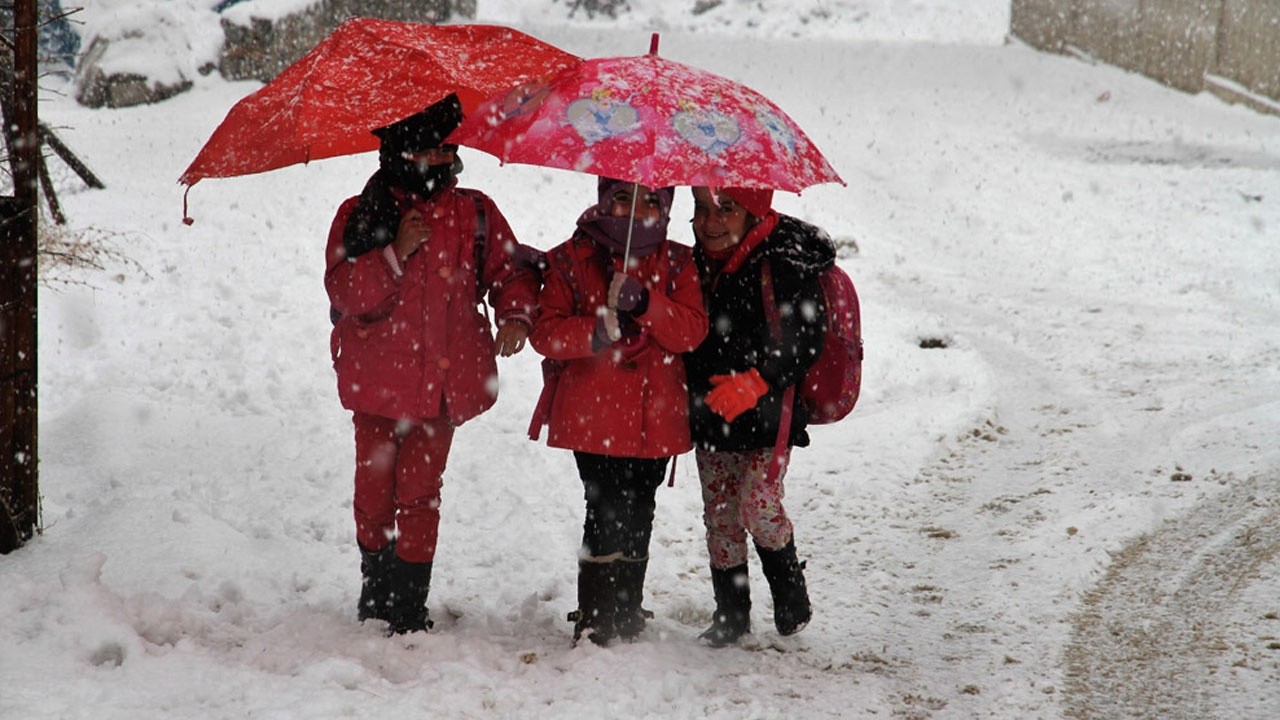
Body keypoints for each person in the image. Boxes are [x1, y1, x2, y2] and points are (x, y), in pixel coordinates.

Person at [324, 93, 539, 635]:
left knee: (420, 495)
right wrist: (394, 251)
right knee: (374, 497)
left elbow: (510, 273)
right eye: (428, 152)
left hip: (440, 390)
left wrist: (515, 313)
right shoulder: (359, 214)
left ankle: (409, 606)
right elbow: (347, 293)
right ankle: (376, 590)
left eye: (448, 151)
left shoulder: (474, 212)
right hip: (377, 389)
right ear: (399, 152)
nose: (441, 163)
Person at [528, 178, 708, 647]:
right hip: (594, 416)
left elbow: (690, 331)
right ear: (604, 199)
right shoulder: (574, 257)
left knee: (640, 505)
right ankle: (595, 614)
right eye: (623, 197)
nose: (636, 210)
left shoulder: (678, 261)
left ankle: (627, 606)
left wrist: (646, 302)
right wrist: (596, 330)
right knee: (604, 506)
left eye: (652, 200)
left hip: (656, 415)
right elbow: (545, 332)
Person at [683, 186, 835, 646]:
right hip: (711, 412)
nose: (711, 222)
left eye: (726, 209)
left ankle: (790, 595)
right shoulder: (695, 263)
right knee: (721, 515)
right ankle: (731, 615)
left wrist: (756, 380)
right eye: (701, 209)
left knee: (757, 504)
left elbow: (807, 337)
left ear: (753, 211)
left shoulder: (783, 260)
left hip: (770, 414)